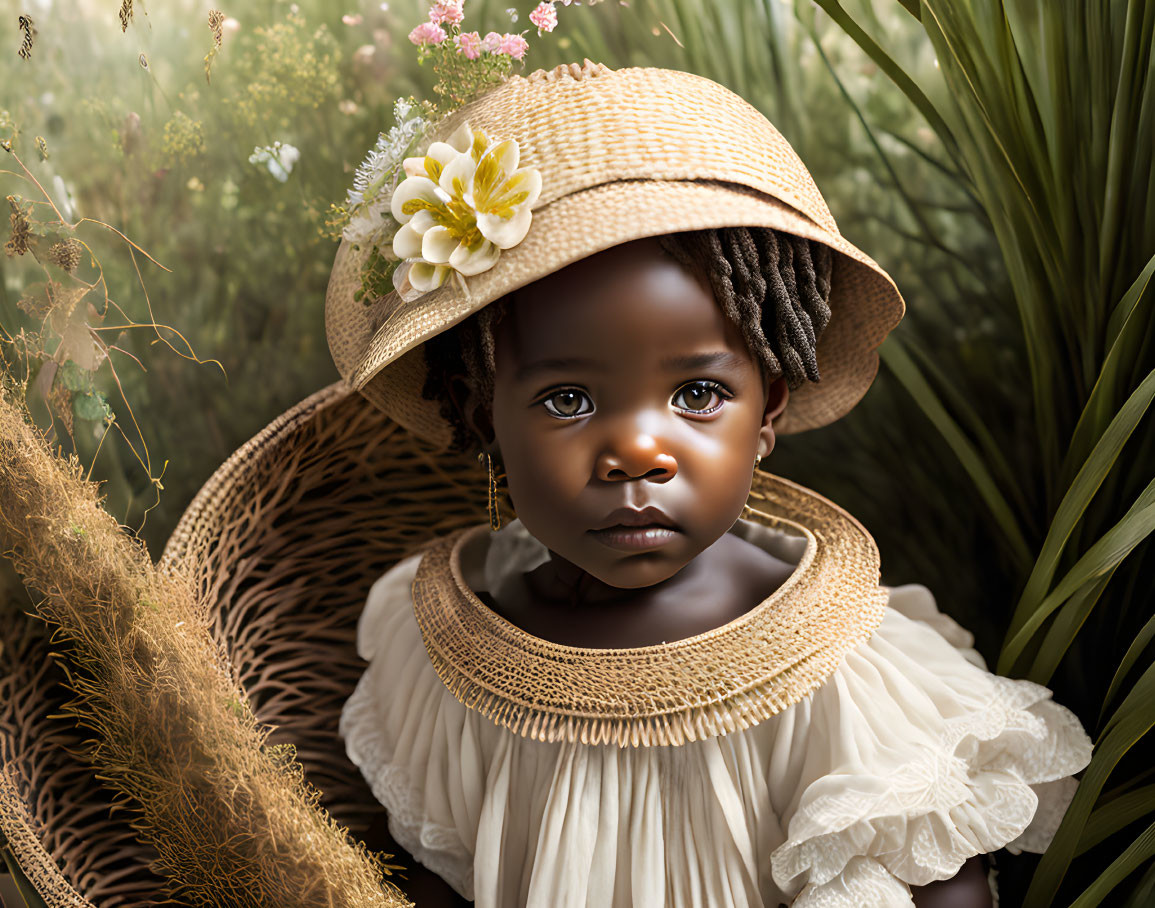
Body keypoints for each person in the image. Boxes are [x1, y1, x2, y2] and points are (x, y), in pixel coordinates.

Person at [331, 61, 1092, 907]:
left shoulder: (833, 669)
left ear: (767, 410)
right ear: (484, 423)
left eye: (697, 395)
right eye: (567, 399)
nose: (636, 454)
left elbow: (936, 880)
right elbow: (428, 869)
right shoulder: (450, 663)